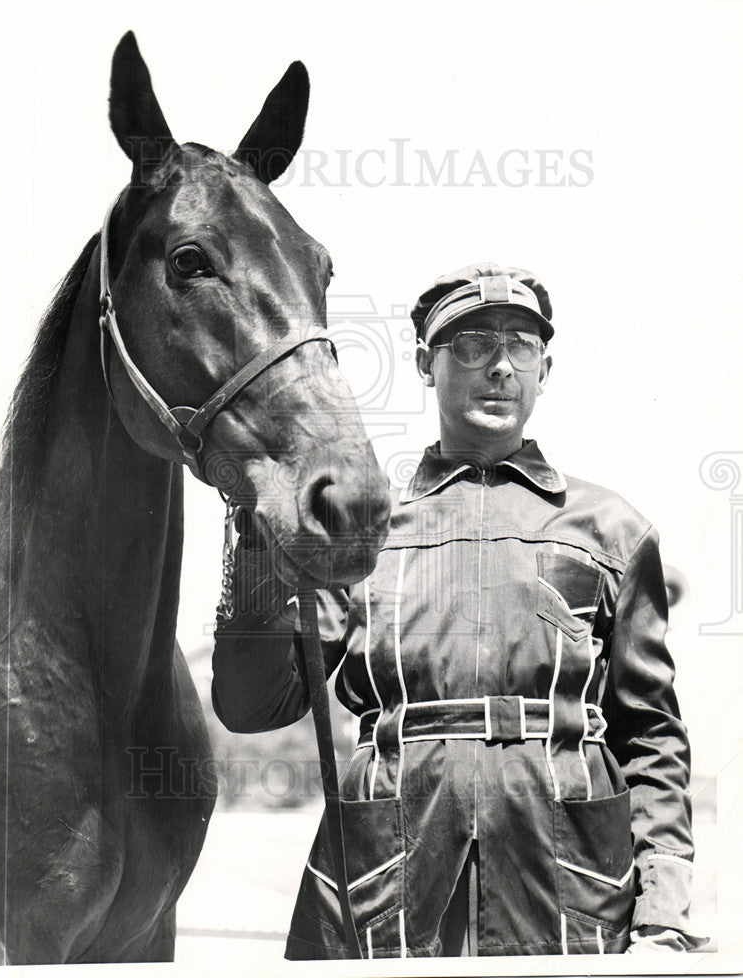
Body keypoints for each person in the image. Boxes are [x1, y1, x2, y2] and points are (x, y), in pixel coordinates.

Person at [211, 262, 703, 958]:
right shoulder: (358, 526)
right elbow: (254, 707)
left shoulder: (612, 529)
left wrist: (662, 910)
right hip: (384, 877)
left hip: (569, 885)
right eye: (471, 346)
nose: (498, 367)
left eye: (520, 347)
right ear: (424, 363)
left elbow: (651, 738)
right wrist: (256, 545)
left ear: (544, 369)